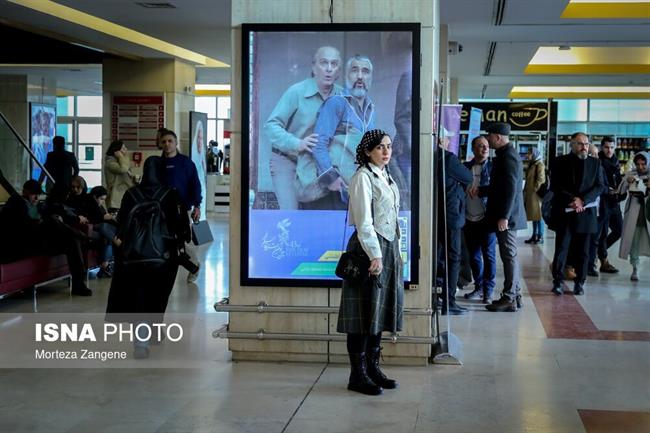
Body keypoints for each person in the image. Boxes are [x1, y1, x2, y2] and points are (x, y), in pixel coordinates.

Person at [337, 129, 402, 396]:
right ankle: (357, 375)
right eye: (379, 148)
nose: (386, 151)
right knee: (362, 314)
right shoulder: (362, 178)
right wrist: (375, 254)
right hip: (368, 249)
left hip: (388, 247)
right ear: (367, 151)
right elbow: (364, 223)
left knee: (378, 313)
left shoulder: (386, 175)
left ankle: (373, 369)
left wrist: (393, 252)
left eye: (388, 146)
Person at [106, 157, 190, 358]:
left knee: (138, 298)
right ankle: (153, 331)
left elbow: (122, 224)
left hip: (133, 256)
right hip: (163, 257)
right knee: (158, 296)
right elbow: (181, 228)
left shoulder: (131, 194)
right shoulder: (171, 194)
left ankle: (141, 341)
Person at [263, 46, 342, 209]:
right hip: (287, 160)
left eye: (334, 64)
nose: (328, 69)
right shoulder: (297, 92)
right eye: (323, 63)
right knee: (291, 215)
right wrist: (297, 143)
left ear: (338, 71)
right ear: (314, 67)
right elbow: (271, 126)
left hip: (315, 163)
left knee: (316, 216)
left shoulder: (342, 96)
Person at [302, 55, 377, 210]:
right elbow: (318, 144)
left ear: (371, 78)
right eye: (355, 70)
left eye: (365, 71)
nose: (360, 76)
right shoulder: (337, 103)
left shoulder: (371, 109)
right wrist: (331, 178)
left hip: (356, 188)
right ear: (346, 75)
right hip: (332, 190)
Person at [470, 122, 526, 312]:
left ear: (498, 138)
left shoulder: (508, 157)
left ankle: (510, 297)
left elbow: (511, 190)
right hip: (504, 215)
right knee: (509, 254)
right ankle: (515, 295)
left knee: (509, 255)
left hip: (506, 218)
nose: (488, 140)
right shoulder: (504, 155)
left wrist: (504, 216)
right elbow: (499, 187)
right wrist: (481, 190)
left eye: (490, 136)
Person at [0, 180, 91, 296]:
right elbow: (20, 227)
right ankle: (84, 238)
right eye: (34, 194)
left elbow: (57, 211)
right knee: (52, 221)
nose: (37, 197)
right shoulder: (15, 205)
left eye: (38, 194)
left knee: (71, 241)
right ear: (25, 192)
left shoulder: (39, 206)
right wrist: (41, 222)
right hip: (25, 243)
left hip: (41, 241)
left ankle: (79, 285)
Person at [548, 133, 605, 296]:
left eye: (586, 143)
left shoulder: (595, 163)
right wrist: (573, 199)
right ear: (572, 145)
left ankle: (580, 282)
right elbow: (556, 186)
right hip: (565, 211)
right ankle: (557, 281)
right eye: (580, 144)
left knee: (584, 251)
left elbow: (600, 186)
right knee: (561, 248)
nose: (584, 147)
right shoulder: (560, 162)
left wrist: (583, 201)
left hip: (586, 213)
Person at [159, 129, 202, 282]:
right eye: (164, 141)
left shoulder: (186, 163)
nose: (167, 144)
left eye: (170, 141)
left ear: (176, 143)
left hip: (182, 209)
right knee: (163, 240)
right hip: (161, 209)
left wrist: (197, 205)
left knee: (183, 240)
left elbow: (195, 185)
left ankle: (194, 266)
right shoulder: (158, 164)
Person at [437, 138, 473, 315]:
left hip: (433, 215)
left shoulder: (426, 157)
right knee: (453, 257)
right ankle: (449, 301)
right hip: (451, 215)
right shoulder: (447, 158)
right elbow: (468, 176)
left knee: (436, 257)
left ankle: (435, 296)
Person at [463, 136, 496, 304]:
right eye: (480, 146)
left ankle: (488, 290)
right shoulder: (465, 168)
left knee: (489, 255)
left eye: (487, 146)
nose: (484, 149)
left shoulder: (493, 168)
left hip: (487, 219)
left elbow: (498, 190)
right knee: (474, 256)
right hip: (468, 219)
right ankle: (479, 286)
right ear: (473, 149)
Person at [617, 152, 650, 281]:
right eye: (638, 164)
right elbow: (620, 190)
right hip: (634, 213)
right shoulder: (631, 174)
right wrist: (627, 180)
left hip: (648, 212)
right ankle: (635, 267)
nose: (641, 167)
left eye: (643, 163)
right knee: (634, 241)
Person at [596, 137, 625, 273]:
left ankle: (598, 251)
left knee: (619, 230)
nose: (609, 150)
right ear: (602, 147)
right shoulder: (598, 162)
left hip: (614, 202)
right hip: (603, 202)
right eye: (607, 147)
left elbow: (618, 181)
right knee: (602, 233)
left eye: (612, 147)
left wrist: (622, 191)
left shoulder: (615, 162)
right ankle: (604, 261)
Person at [37, 135, 79, 202]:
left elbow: (44, 170)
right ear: (63, 144)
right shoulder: (70, 155)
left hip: (52, 184)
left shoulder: (51, 155)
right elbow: (76, 170)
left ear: (54, 145)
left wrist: (39, 183)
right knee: (64, 202)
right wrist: (71, 180)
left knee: (52, 202)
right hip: (66, 184)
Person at [104, 140, 135, 211]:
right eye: (123, 148)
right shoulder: (110, 162)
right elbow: (123, 169)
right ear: (117, 151)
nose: (126, 150)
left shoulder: (120, 161)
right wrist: (122, 156)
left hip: (123, 196)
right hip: (115, 199)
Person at [524, 148, 546, 244]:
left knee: (539, 216)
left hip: (536, 195)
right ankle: (534, 235)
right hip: (531, 194)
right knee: (534, 216)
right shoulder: (531, 164)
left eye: (529, 153)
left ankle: (540, 236)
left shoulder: (539, 164)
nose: (527, 155)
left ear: (534, 154)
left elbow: (541, 179)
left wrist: (534, 189)